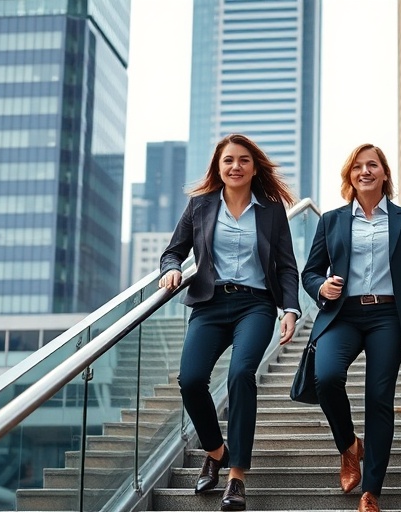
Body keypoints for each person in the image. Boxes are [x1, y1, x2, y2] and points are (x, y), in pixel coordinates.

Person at [159, 134, 301, 511]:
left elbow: (286, 266)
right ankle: (216, 451)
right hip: (209, 304)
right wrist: (172, 269)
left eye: (243, 160)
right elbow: (173, 251)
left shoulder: (270, 211)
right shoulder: (200, 206)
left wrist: (290, 309)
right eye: (228, 161)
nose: (235, 166)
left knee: (240, 374)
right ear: (218, 168)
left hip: (255, 305)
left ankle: (236, 475)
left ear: (254, 168)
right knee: (190, 380)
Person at [301, 143, 401, 512]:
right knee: (325, 378)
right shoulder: (331, 220)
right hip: (342, 314)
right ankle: (349, 445)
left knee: (379, 398)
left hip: (389, 317)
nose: (365, 171)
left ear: (384, 173)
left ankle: (371, 490)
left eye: (372, 165)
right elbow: (310, 272)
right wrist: (320, 286)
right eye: (358, 166)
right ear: (350, 176)